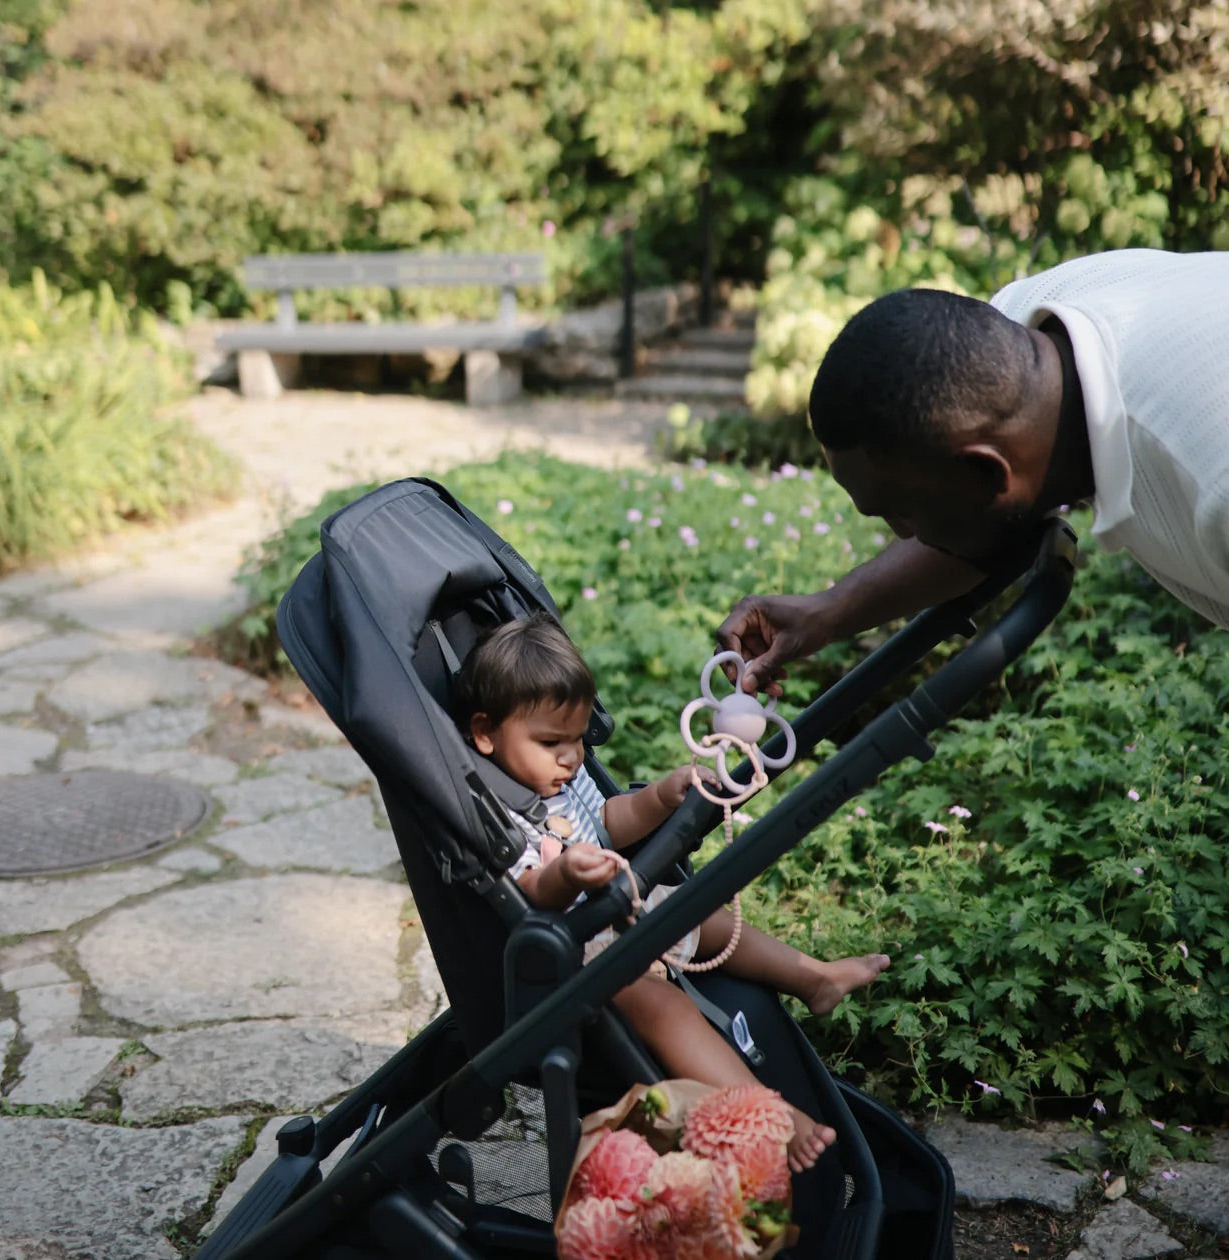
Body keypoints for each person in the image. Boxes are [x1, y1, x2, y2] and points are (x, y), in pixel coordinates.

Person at [456, 611, 891, 1172]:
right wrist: (566, 874)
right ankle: (768, 1115)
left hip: (620, 913)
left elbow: (611, 819)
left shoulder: (564, 772)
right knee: (659, 1005)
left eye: (575, 739)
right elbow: (531, 891)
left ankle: (813, 977)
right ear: (486, 732)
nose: (569, 756)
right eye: (550, 742)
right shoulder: (498, 808)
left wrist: (662, 796)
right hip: (576, 956)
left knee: (703, 911)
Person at [717, 248, 1229, 695]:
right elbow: (983, 523)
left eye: (903, 512)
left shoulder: (1213, 476)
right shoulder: (1015, 333)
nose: (901, 534)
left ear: (988, 472)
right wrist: (830, 611)